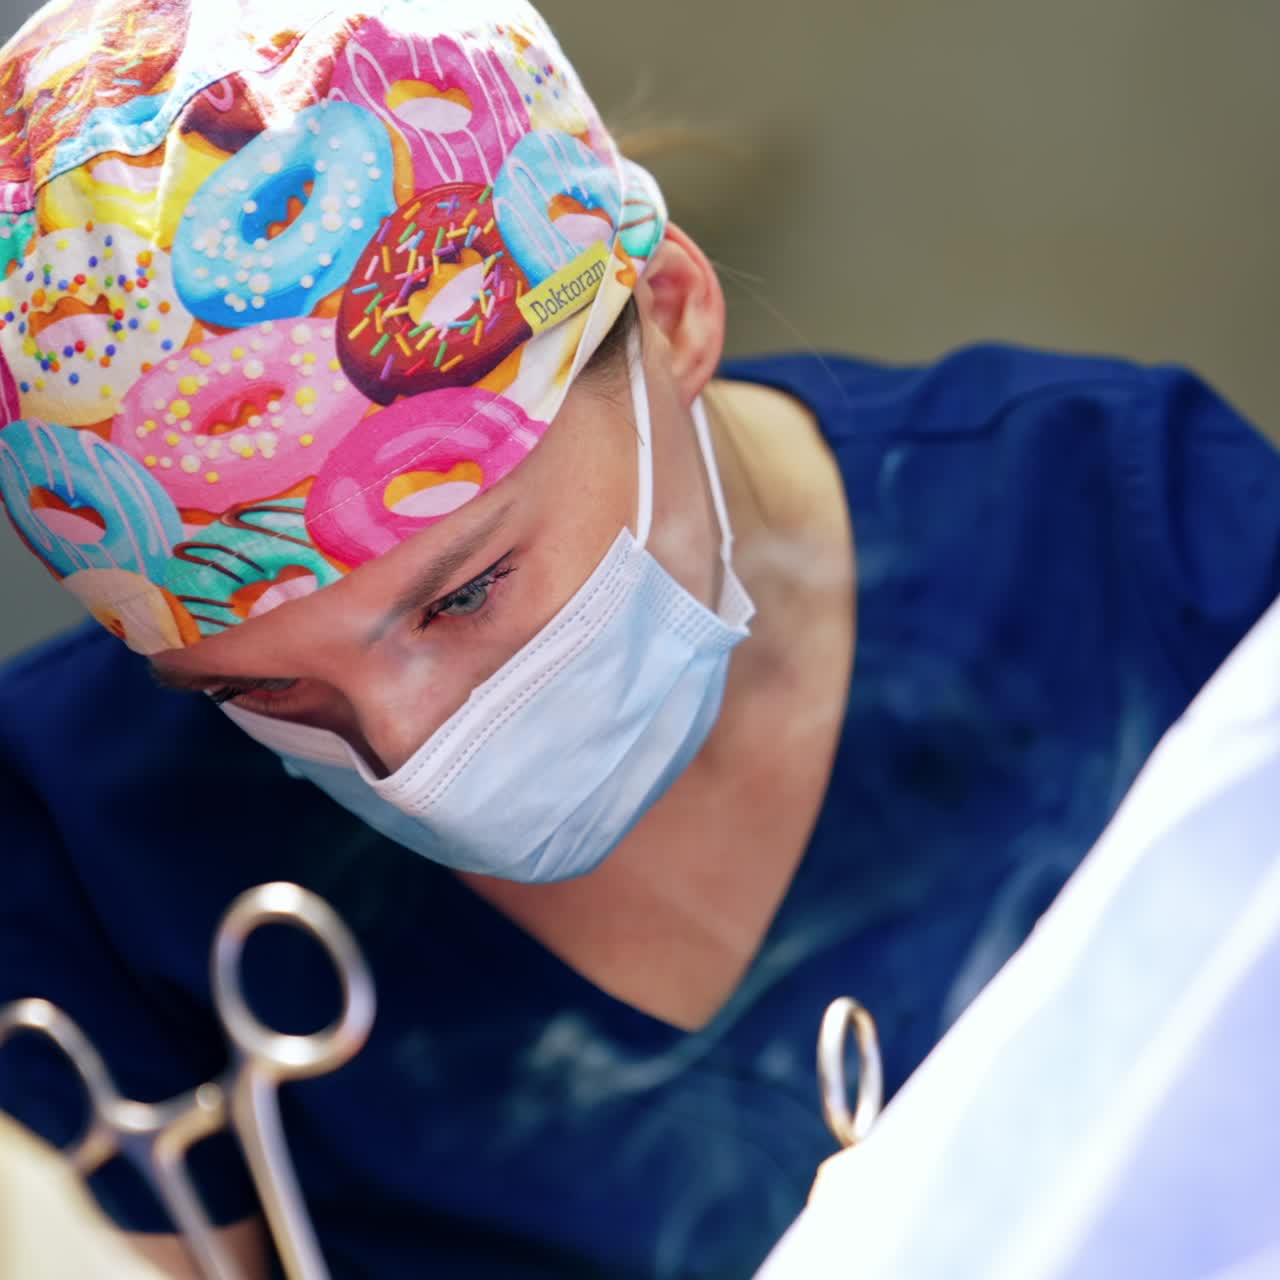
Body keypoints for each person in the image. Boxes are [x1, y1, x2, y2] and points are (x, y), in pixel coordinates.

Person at [0, 0, 1276, 1276]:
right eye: (265, 685)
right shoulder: (81, 837)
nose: (405, 751)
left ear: (667, 315)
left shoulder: (1138, 542)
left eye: (461, 593)